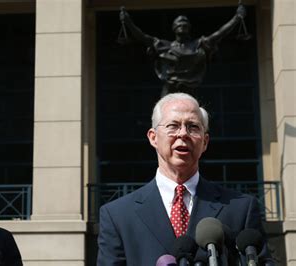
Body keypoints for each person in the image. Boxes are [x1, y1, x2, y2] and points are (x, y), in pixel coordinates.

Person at [97, 93, 274, 265]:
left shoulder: (241, 209)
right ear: (153, 137)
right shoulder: (118, 216)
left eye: (193, 127)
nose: (183, 134)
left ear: (205, 142)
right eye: (173, 126)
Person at [119, 5, 247, 96]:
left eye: (185, 24)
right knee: (164, 118)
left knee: (191, 118)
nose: (182, 26)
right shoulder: (164, 46)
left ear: (189, 28)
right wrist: (128, 21)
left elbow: (219, 34)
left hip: (190, 89)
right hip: (169, 89)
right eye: (179, 24)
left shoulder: (197, 44)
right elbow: (142, 36)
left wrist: (237, 18)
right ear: (174, 28)